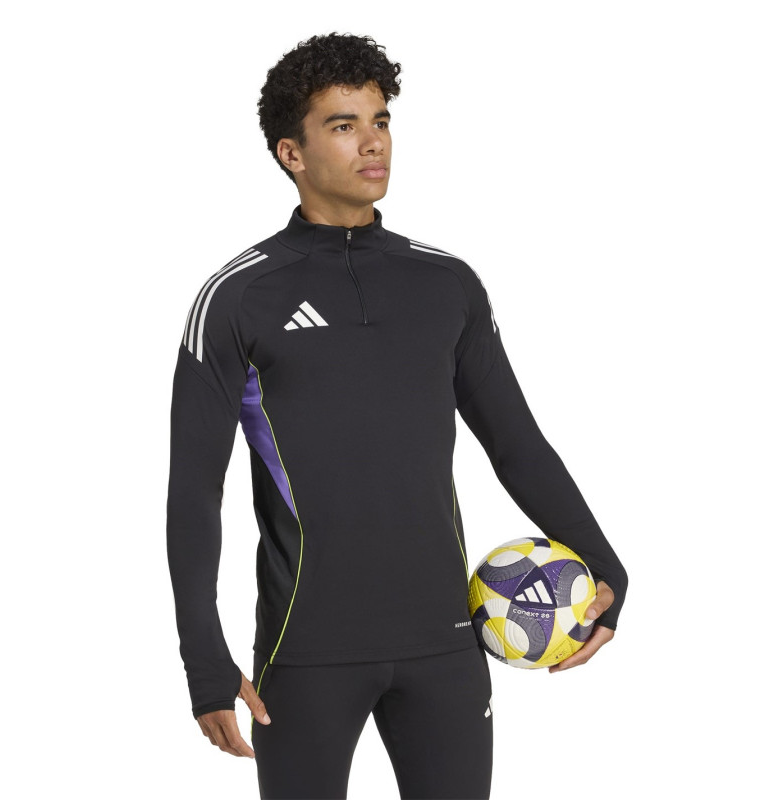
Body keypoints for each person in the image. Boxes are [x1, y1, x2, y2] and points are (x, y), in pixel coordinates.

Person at [166, 32, 628, 799]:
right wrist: (203, 656)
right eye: (344, 125)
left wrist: (606, 564)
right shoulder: (239, 298)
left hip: (446, 644)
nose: (373, 141)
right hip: (306, 651)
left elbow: (516, 445)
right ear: (291, 152)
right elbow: (192, 493)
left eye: (380, 120)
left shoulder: (447, 285)